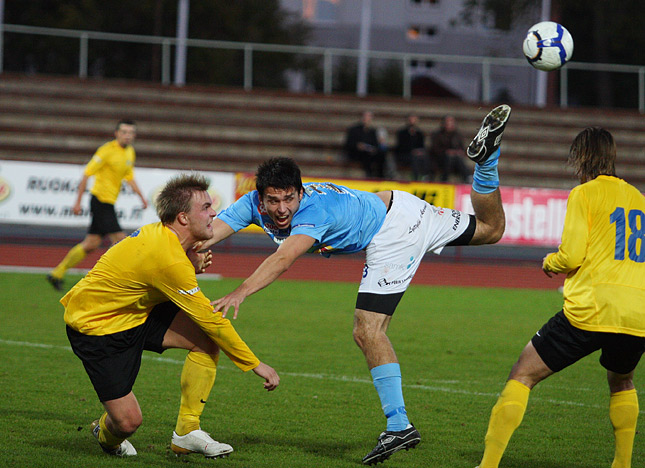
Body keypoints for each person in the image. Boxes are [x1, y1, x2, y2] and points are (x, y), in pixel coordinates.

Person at [200, 105, 511, 465]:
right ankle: (488, 162)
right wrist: (183, 249)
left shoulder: (313, 212)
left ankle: (399, 425)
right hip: (402, 206)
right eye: (273, 200)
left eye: (289, 198)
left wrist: (241, 290)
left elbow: (285, 257)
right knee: (492, 229)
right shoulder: (250, 203)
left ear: (301, 193)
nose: (282, 208)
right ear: (260, 198)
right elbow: (210, 232)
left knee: (367, 330)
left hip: (393, 232)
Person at [62, 173, 279, 458]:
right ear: (183, 218)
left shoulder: (167, 239)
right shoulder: (169, 258)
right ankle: (105, 434)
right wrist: (254, 364)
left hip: (138, 311)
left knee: (204, 342)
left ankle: (187, 431)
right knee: (128, 422)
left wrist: (190, 261)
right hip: (97, 328)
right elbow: (212, 320)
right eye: (205, 207)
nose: (214, 211)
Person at [476, 127, 645, 468]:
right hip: (637, 313)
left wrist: (550, 262)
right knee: (621, 379)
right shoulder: (640, 199)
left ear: (581, 156)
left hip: (591, 309)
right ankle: (623, 464)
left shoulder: (584, 194)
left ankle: (489, 464)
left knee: (522, 373)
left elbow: (571, 256)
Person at [47, 119, 148, 291]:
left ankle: (56, 273)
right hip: (100, 201)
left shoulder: (130, 152)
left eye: (131, 133)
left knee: (91, 243)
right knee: (121, 241)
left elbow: (129, 176)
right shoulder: (106, 151)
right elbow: (87, 174)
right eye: (124, 132)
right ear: (116, 133)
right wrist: (77, 202)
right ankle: (110, 280)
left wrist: (141, 197)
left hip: (109, 203)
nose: (127, 136)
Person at [429, 115, 471, 183]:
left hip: (455, 160)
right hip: (440, 159)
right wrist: (446, 152)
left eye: (451, 122)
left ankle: (467, 177)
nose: (449, 124)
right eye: (448, 122)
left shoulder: (457, 135)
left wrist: (458, 152)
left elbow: (462, 148)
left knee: (457, 158)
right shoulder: (437, 134)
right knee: (450, 157)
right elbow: (434, 149)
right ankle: (444, 178)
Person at [344, 110, 384, 178]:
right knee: (366, 156)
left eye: (369, 117)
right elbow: (348, 143)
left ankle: (380, 176)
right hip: (356, 152)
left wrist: (374, 148)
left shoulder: (372, 131)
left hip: (369, 152)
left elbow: (375, 144)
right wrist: (358, 145)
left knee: (382, 154)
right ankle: (369, 175)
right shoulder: (354, 129)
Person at [394, 114, 428, 181]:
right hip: (405, 155)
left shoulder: (420, 133)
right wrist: (412, 151)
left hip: (417, 155)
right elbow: (400, 147)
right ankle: (415, 179)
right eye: (411, 120)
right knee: (414, 158)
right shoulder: (401, 133)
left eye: (414, 120)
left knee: (424, 156)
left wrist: (419, 151)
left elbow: (422, 146)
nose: (412, 121)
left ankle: (425, 176)